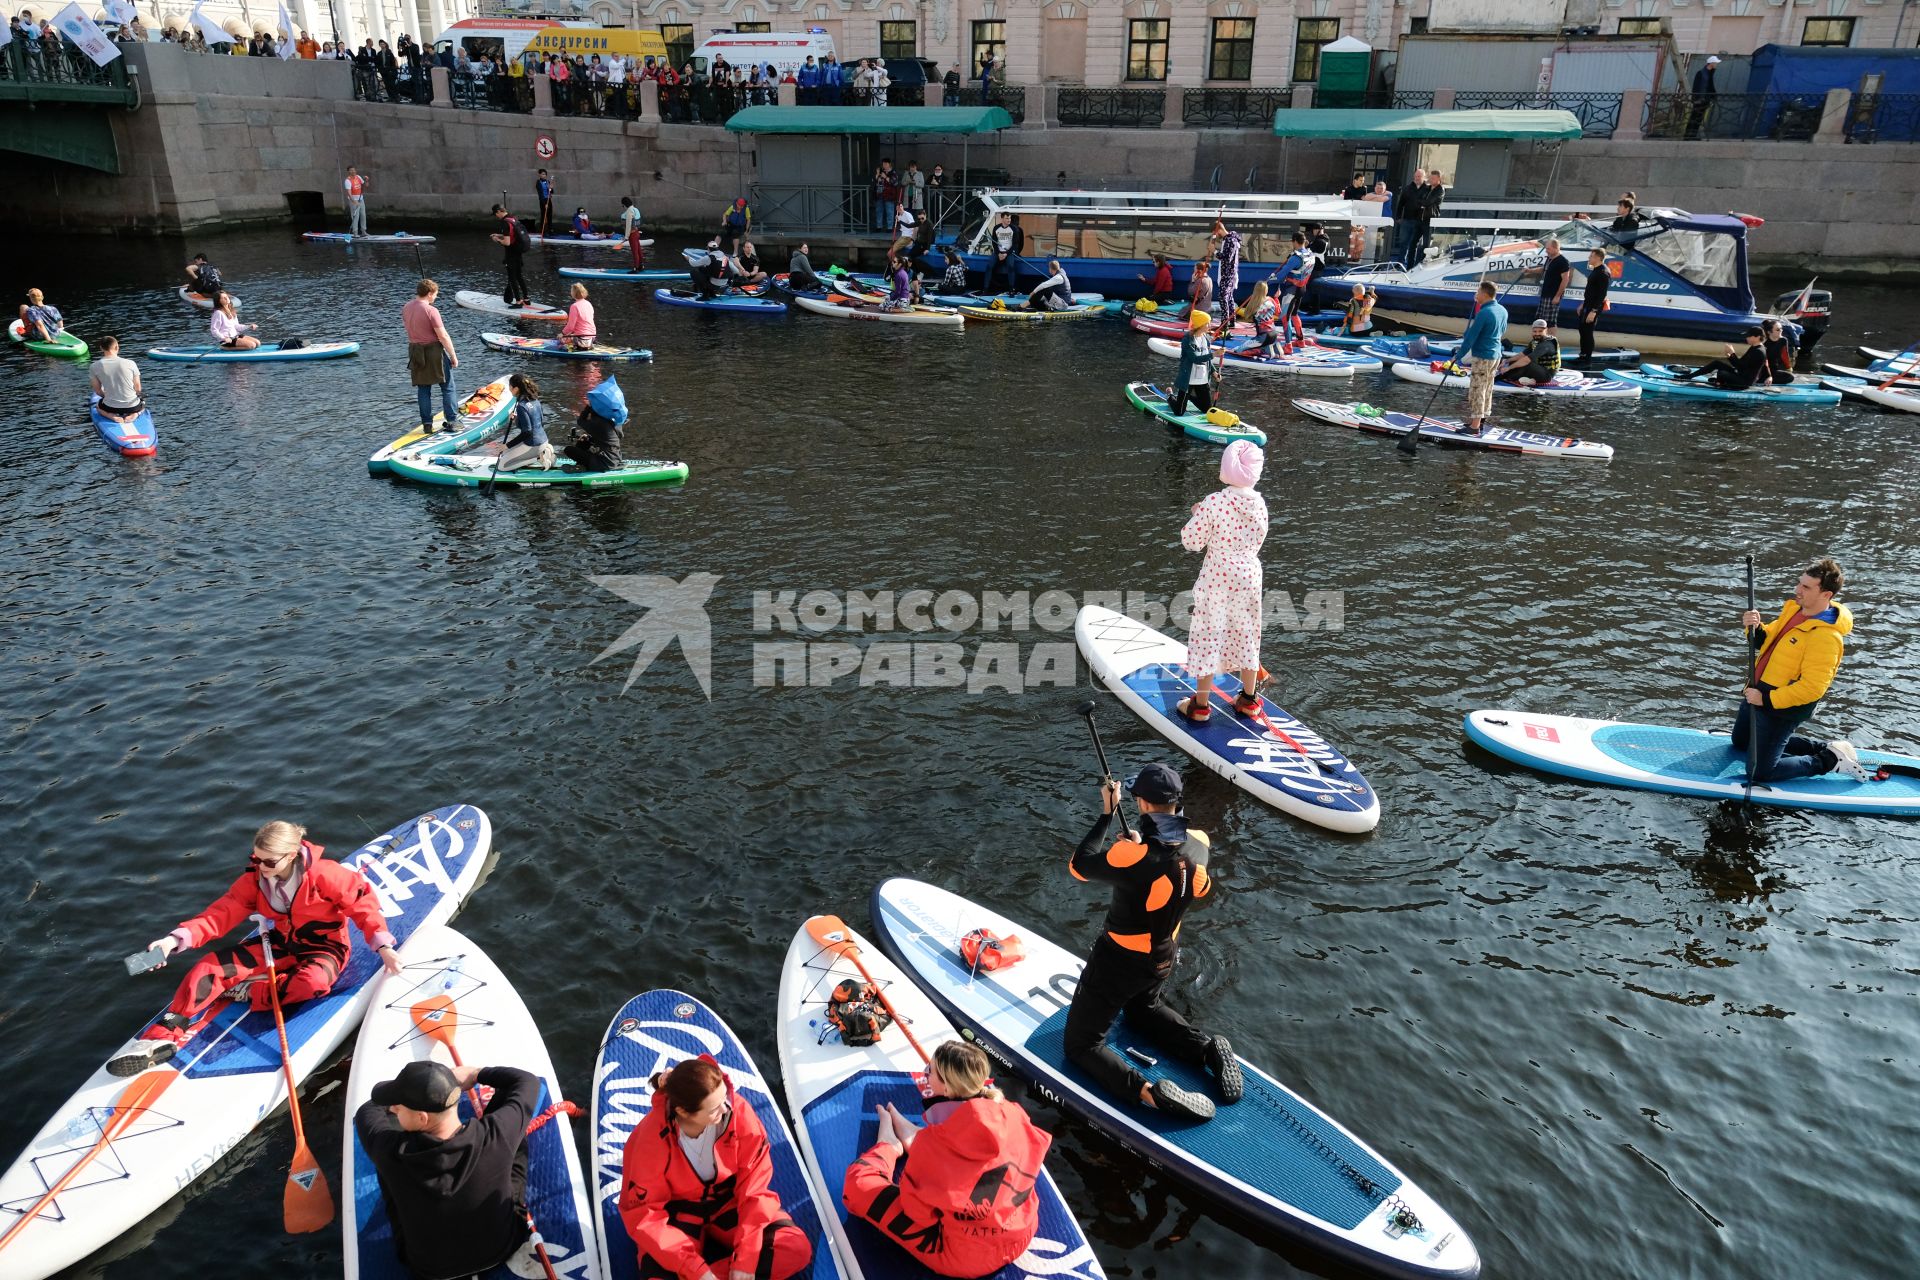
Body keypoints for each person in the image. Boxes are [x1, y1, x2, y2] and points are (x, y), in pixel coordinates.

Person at [111, 820, 401, 1075]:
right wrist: (173, 941)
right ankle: (161, 1036)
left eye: (269, 862)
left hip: (325, 948)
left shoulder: (327, 875)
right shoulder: (255, 880)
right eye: (256, 859)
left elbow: (364, 906)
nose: (261, 867)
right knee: (207, 967)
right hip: (281, 943)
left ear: (292, 855)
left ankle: (250, 991)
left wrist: (383, 945)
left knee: (312, 982)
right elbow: (219, 914)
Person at [1065, 762, 1239, 1125]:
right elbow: (1196, 884)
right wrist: (1145, 847)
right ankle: (1207, 1052)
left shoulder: (1129, 856)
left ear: (1141, 804)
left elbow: (1079, 866)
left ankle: (1149, 1093)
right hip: (1163, 958)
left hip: (1119, 961)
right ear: (1177, 803)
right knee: (1143, 1009)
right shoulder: (1200, 844)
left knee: (1082, 1045)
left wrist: (1107, 814)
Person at [844, 1040, 1050, 1278]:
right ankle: (911, 1136)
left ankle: (888, 1146)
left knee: (857, 1184)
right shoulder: (1015, 1113)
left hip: (964, 1258)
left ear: (948, 1088)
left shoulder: (934, 1146)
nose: (924, 1074)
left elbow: (918, 1214)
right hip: (1022, 1232)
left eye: (929, 1071)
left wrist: (919, 1152)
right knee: (939, 1156)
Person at [617, 1056, 813, 1280]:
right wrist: (697, 1271)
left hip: (730, 1203)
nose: (726, 1108)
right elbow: (645, 1216)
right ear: (683, 1111)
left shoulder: (738, 1112)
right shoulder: (648, 1140)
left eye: (725, 1097)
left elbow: (754, 1190)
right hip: (678, 1214)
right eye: (713, 1109)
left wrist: (746, 1261)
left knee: (795, 1248)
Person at [355, 1058, 543, 1280]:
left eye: (399, 1106)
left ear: (422, 1118)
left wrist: (394, 1099)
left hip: (429, 1269)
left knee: (385, 1169)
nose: (394, 1108)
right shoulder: (496, 1133)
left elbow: (367, 1111)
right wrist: (475, 1074)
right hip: (503, 1247)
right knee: (513, 1125)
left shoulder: (389, 1150)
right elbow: (527, 1081)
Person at [1734, 558, 1869, 784]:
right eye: (1799, 583)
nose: (1798, 590)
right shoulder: (1795, 611)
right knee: (1741, 742)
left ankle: (1829, 759)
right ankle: (1825, 747)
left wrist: (1766, 699)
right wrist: (1755, 628)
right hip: (1757, 692)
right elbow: (1767, 641)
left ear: (1826, 595)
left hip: (1781, 708)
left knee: (1760, 772)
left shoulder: (1826, 638)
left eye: (1806, 587)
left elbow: (1812, 689)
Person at [1176, 438, 1268, 722]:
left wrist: (1197, 514)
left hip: (1218, 575)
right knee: (1247, 632)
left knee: (1208, 632)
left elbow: (1191, 541)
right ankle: (1249, 700)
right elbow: (1255, 537)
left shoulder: (1214, 502)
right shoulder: (1260, 502)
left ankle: (1200, 706)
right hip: (1250, 575)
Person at [404, 278, 459, 433]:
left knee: (423, 389)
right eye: (435, 295)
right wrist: (453, 355)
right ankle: (453, 421)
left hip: (415, 351)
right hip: (434, 351)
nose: (435, 298)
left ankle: (427, 424)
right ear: (429, 294)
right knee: (447, 387)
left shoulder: (406, 307)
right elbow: (443, 336)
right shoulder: (431, 310)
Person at [1457, 280, 1507, 435]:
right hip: (1496, 355)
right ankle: (1482, 419)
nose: (1476, 294)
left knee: (1478, 389)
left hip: (1483, 356)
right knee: (1488, 387)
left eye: (1478, 292)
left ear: (1484, 294)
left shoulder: (1484, 313)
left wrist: (1457, 356)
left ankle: (1474, 427)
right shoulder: (1502, 310)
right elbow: (1503, 331)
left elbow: (1470, 337)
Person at [1675, 327, 1769, 390]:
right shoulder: (1754, 347)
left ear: (1757, 337)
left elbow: (1741, 367)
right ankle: (1689, 377)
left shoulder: (1759, 351)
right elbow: (1740, 364)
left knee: (1722, 373)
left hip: (1744, 382)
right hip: (1741, 374)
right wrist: (1730, 356)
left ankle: (1721, 384)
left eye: (1749, 336)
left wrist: (1732, 353)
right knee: (1717, 363)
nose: (1746, 338)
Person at [565, 378, 626, 472]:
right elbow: (610, 439)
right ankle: (582, 464)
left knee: (568, 450)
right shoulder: (616, 420)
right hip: (615, 459)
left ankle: (584, 466)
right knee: (584, 441)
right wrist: (590, 439)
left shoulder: (599, 423)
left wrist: (589, 406)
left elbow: (580, 421)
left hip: (603, 464)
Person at [496, 373, 552, 472]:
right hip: (543, 440)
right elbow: (538, 422)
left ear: (516, 389)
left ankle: (539, 458)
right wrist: (517, 419)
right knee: (504, 454)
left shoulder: (521, 406)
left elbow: (527, 432)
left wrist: (507, 445)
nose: (509, 389)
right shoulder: (535, 400)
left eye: (510, 387)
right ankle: (545, 450)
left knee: (502, 466)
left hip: (534, 445)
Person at [1169, 309, 1217, 417]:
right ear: (1200, 325)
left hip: (1202, 379)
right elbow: (1194, 358)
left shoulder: (1206, 338)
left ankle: (1188, 397)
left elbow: (1207, 358)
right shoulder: (1187, 339)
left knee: (1206, 409)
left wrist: (1214, 372)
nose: (1210, 325)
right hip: (1189, 379)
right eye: (1207, 323)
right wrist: (1214, 354)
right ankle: (1170, 396)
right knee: (1179, 412)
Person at [89, 336, 144, 422]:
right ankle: (135, 414)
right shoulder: (131, 363)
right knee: (142, 405)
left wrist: (107, 397)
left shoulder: (94, 366)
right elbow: (138, 388)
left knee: (98, 407)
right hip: (132, 407)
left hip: (111, 408)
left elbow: (98, 391)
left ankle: (111, 416)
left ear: (101, 348)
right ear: (117, 347)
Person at [489, 204, 531, 308]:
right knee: (519, 276)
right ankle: (526, 299)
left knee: (512, 277)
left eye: (495, 214)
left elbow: (507, 242)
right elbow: (512, 235)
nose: (496, 216)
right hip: (518, 252)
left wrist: (497, 240)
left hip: (511, 253)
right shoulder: (513, 218)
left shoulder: (504, 223)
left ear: (499, 211)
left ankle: (518, 302)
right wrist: (499, 235)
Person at [1575, 248, 1611, 365]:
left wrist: (1594, 311)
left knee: (1588, 331)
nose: (1589, 258)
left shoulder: (1603, 272)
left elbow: (1601, 294)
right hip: (1588, 304)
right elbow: (1591, 291)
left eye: (1591, 256)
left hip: (1594, 307)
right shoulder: (1595, 270)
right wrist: (1582, 304)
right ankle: (1582, 355)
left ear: (1597, 258)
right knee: (1582, 329)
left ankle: (1587, 360)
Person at [1499, 318, 1561, 384]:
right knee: (1514, 362)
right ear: (1532, 331)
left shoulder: (1546, 344)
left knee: (1526, 363)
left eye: (1540, 331)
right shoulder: (1535, 341)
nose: (1537, 334)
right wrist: (1506, 361)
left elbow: (1526, 360)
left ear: (1546, 330)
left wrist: (1508, 368)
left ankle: (1512, 377)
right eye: (1535, 331)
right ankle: (1515, 376)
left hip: (1547, 375)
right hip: (1539, 368)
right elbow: (1523, 354)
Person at [1534, 236, 1570, 333]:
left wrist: (1557, 296)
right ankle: (1541, 340)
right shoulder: (1550, 259)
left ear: (1556, 248)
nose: (1546, 251)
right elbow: (1544, 269)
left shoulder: (1563, 261)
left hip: (1552, 296)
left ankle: (1552, 343)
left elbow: (1565, 279)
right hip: (1545, 294)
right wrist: (1529, 271)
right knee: (1540, 320)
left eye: (1548, 249)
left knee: (1550, 322)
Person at [1210, 219, 1242, 325]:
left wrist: (1214, 251)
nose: (1216, 236)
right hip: (1228, 273)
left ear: (1218, 230)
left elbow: (1227, 258)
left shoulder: (1230, 241)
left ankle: (1225, 323)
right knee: (1229, 297)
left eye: (1215, 233)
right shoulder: (1228, 240)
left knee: (1223, 297)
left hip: (1228, 274)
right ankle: (1231, 321)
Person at [1392, 167, 1426, 266]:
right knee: (1403, 243)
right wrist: (1398, 217)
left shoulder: (1427, 189)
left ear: (1424, 177)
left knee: (1414, 244)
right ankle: (1400, 263)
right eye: (1415, 176)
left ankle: (1412, 265)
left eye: (1419, 176)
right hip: (1407, 220)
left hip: (1419, 221)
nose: (1417, 178)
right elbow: (1401, 203)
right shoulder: (1407, 188)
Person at [1414, 169, 1445, 264]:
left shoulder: (1440, 189)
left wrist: (1422, 203)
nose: (1431, 180)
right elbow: (1417, 198)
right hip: (1420, 218)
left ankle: (1422, 263)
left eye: (1433, 178)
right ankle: (1412, 264)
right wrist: (1422, 203)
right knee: (1413, 242)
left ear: (1439, 179)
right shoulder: (1427, 188)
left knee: (1426, 244)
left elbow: (1428, 202)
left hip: (1430, 219)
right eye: (1430, 178)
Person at [1687, 54, 1720, 139]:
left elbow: (1710, 86)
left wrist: (1713, 96)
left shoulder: (1710, 73)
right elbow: (1696, 86)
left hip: (1705, 100)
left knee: (1699, 119)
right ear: (1711, 63)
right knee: (1694, 117)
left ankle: (1693, 136)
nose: (1716, 64)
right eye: (1715, 63)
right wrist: (1695, 98)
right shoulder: (1701, 73)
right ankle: (1688, 136)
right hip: (1699, 99)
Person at [983, 210, 1016, 294]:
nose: (1009, 220)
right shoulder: (996, 228)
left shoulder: (1013, 228)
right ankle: (986, 289)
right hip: (998, 252)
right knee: (989, 266)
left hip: (1008, 252)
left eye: (1010, 218)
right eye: (1007, 218)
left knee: (1011, 267)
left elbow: (1015, 244)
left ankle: (1011, 289)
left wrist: (1006, 254)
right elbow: (994, 242)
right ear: (1002, 219)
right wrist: (998, 253)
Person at [559, 282, 596, 351]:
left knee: (561, 340)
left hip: (581, 340)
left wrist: (562, 333)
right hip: (592, 337)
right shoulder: (589, 304)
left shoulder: (574, 306)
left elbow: (570, 326)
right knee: (571, 334)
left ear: (573, 293)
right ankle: (588, 345)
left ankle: (578, 346)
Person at [1761, 317, 1798, 383]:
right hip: (1764, 370)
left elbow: (1785, 355)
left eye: (1781, 329)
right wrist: (1769, 375)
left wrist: (1789, 368)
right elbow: (1764, 362)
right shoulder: (1764, 344)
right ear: (1769, 332)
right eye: (1778, 330)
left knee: (1790, 377)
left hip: (1775, 369)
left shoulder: (1783, 340)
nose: (1781, 331)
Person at [618, 195, 645, 272]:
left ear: (624, 204)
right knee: (639, 250)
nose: (622, 206)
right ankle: (641, 265)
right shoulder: (635, 209)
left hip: (632, 234)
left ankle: (635, 268)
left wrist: (626, 237)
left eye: (622, 205)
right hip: (636, 232)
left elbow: (629, 225)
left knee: (634, 252)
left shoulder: (629, 211)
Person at [342, 165, 368, 237]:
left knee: (363, 215)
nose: (353, 171)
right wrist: (354, 201)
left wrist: (366, 180)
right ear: (348, 172)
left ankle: (363, 231)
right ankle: (355, 233)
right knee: (355, 216)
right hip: (353, 200)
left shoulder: (358, 177)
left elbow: (366, 185)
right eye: (351, 170)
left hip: (361, 199)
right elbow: (349, 193)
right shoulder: (348, 180)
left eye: (354, 170)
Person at [534, 168, 553, 237]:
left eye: (545, 174)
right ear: (539, 175)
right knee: (543, 216)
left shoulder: (548, 181)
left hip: (549, 200)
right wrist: (544, 204)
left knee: (549, 215)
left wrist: (551, 188)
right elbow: (540, 194)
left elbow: (551, 192)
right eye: (542, 174)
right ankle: (542, 231)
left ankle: (550, 230)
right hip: (543, 201)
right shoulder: (538, 182)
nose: (544, 175)